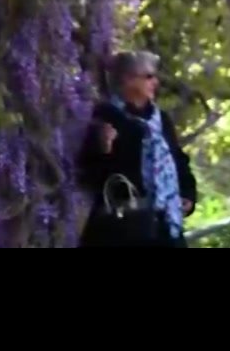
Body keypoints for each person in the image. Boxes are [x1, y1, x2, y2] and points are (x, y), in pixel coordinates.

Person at [77, 50, 197, 248]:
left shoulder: (161, 120)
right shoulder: (106, 117)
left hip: (164, 226)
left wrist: (188, 195)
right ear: (128, 79)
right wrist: (102, 149)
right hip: (124, 229)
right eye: (149, 77)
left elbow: (178, 160)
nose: (155, 83)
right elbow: (90, 175)